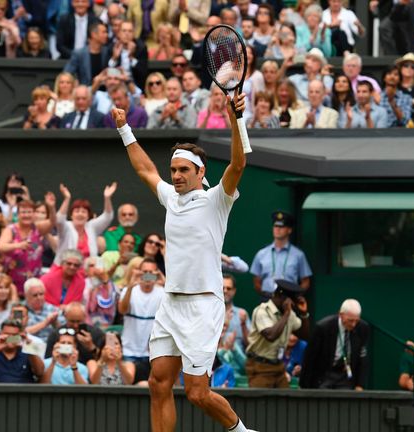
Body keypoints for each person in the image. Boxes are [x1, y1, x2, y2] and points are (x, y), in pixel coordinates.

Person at [113, 88, 254, 431]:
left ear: (199, 171)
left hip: (203, 307)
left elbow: (238, 163)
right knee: (158, 383)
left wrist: (237, 120)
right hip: (170, 305)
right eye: (173, 170)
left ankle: (241, 431)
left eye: (182, 170)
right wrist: (124, 129)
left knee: (197, 394)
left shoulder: (216, 199)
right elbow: (146, 170)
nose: (175, 176)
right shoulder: (170, 199)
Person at [245, 280, 309, 389]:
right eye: (291, 300)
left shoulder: (289, 314)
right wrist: (287, 313)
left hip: (278, 366)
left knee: (284, 402)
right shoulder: (262, 311)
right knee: (260, 403)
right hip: (260, 365)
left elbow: (304, 334)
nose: (293, 304)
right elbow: (271, 336)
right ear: (282, 297)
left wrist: (303, 313)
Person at [299, 299, 370, 390]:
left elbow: (362, 358)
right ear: (341, 315)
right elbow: (310, 357)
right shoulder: (323, 328)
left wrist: (360, 385)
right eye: (350, 320)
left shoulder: (362, 328)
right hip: (325, 373)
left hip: (346, 375)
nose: (353, 324)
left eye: (356, 321)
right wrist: (304, 385)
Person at [119, 258, 166, 383]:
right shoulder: (129, 290)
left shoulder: (162, 292)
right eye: (145, 271)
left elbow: (174, 311)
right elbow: (122, 310)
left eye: (151, 272)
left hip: (151, 353)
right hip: (129, 350)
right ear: (139, 272)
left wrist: (163, 280)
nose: (148, 275)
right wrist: (130, 286)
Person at [250, 211, 312, 299]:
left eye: (281, 226)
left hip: (289, 299)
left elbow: (306, 281)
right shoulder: (261, 254)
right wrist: (265, 295)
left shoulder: (298, 255)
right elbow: (256, 281)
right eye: (275, 226)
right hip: (267, 299)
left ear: (289, 230)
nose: (278, 229)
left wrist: (295, 296)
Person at [0, 198, 52, 295]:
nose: (26, 215)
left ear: (34, 214)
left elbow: (53, 221)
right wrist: (18, 245)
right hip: (13, 282)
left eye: (29, 212)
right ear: (18, 214)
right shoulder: (11, 229)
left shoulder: (38, 228)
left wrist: (51, 207)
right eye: (23, 212)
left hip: (33, 283)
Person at [53, 182, 115, 261]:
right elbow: (59, 220)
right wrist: (67, 198)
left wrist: (107, 198)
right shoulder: (66, 226)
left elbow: (108, 216)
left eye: (84, 212)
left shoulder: (92, 227)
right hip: (66, 270)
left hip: (88, 270)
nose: (80, 214)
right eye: (77, 211)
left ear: (88, 216)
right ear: (71, 215)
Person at [0, 318, 44, 383]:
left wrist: (29, 347)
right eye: (7, 334)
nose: (10, 338)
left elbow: (40, 372)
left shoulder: (28, 349)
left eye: (14, 335)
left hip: (23, 392)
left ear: (20, 335)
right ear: (0, 333)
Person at [64, 22, 110, 86]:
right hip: (85, 92)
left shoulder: (106, 51)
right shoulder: (79, 54)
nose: (107, 35)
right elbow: (66, 73)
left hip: (105, 92)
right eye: (104, 32)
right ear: (94, 34)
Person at [24, 278, 63, 342]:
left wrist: (55, 323)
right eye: (35, 295)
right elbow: (15, 336)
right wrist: (45, 323)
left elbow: (64, 333)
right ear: (26, 296)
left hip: (50, 346)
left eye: (41, 294)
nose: (39, 298)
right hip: (28, 347)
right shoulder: (19, 310)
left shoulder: (54, 309)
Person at [221, 274, 250, 350]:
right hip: (214, 359)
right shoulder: (210, 313)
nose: (225, 291)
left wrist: (243, 325)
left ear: (234, 291)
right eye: (222, 288)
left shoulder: (242, 313)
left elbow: (250, 344)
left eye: (228, 288)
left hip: (237, 359)